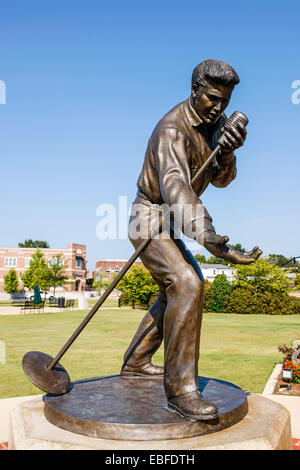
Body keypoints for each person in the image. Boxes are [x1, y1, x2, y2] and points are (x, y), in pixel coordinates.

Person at [121, 59, 262, 421]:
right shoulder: (171, 129)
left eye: (225, 101)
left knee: (177, 288)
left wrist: (228, 150)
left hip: (172, 215)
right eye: (212, 98)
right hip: (149, 216)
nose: (219, 108)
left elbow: (221, 179)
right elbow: (176, 187)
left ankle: (136, 362)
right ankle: (182, 392)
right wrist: (210, 237)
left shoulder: (215, 125)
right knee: (187, 284)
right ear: (195, 90)